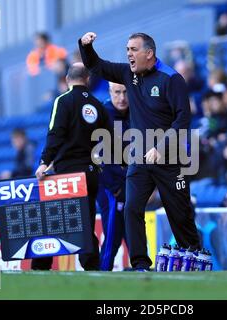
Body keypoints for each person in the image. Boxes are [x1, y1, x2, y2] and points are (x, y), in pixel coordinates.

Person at [79, 32, 201, 270]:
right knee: (132, 208)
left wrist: (161, 146)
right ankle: (140, 264)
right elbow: (96, 66)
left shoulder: (171, 79)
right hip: (140, 158)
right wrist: (86, 47)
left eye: (133, 50)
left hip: (171, 159)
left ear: (149, 53)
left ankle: (195, 257)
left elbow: (183, 119)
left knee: (179, 214)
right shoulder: (128, 74)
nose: (129, 54)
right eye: (127, 50)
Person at [32, 62, 111, 271]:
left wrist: (44, 163)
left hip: (68, 173)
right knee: (85, 221)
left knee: (53, 219)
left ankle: (41, 264)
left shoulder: (63, 101)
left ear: (67, 79)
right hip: (92, 173)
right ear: (88, 79)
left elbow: (55, 134)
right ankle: (92, 265)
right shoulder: (98, 105)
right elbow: (109, 139)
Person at [97, 82, 130, 271]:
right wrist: (115, 187)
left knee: (133, 231)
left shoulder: (135, 112)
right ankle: (103, 270)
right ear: (110, 92)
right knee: (113, 233)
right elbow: (98, 156)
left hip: (129, 184)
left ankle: (140, 267)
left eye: (125, 92)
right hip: (110, 186)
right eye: (117, 92)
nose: (122, 97)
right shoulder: (102, 115)